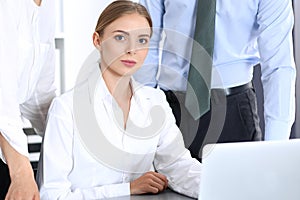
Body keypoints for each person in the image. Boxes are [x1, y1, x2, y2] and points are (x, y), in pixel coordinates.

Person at [37, 1, 201, 199]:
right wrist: (128, 189)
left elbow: (178, 166)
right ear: (97, 40)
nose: (132, 49)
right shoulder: (66, 108)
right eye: (120, 37)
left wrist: (222, 187)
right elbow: (51, 195)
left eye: (142, 40)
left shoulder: (155, 101)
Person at [134, 0, 296, 160]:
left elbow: (278, 67)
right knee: (166, 184)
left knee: (239, 184)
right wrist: (144, 114)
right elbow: (146, 42)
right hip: (172, 110)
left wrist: (275, 148)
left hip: (234, 113)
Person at [0, 0, 56, 199]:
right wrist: (21, 172)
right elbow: (2, 98)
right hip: (8, 144)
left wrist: (68, 139)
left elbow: (40, 96)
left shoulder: (47, 7)